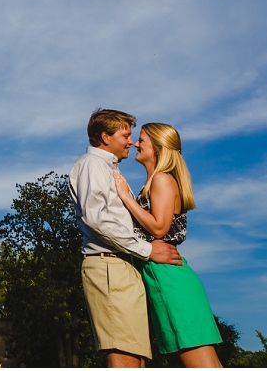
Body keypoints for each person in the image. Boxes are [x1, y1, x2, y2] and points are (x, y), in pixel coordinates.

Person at [69, 109, 184, 368]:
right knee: (124, 357)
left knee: (136, 358)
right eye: (126, 135)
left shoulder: (108, 169)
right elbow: (97, 219)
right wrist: (147, 249)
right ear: (105, 137)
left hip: (123, 266)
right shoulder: (92, 165)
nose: (131, 141)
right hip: (110, 266)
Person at [113, 123, 223, 367]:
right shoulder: (154, 183)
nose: (134, 144)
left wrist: (125, 198)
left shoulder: (162, 180)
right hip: (163, 276)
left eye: (142, 140)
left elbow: (159, 227)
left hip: (171, 280)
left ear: (158, 148)